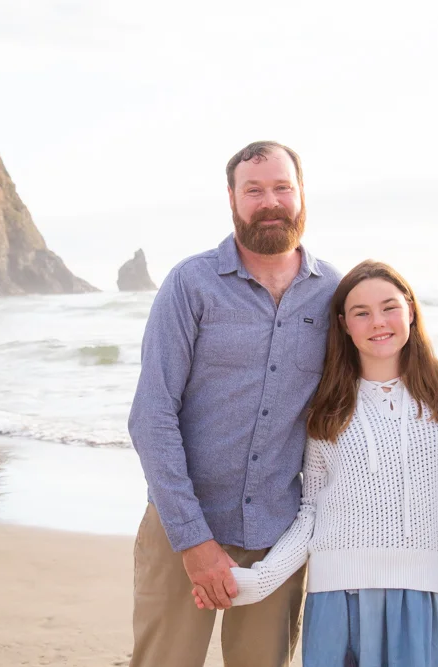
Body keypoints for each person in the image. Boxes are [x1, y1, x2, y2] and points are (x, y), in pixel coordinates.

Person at [126, 140, 341, 667]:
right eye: (254, 190)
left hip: (278, 540)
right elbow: (151, 416)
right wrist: (194, 542)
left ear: (302, 193)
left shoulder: (334, 292)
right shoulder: (190, 285)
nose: (270, 201)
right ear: (231, 199)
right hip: (181, 529)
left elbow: (363, 396)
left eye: (282, 187)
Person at [194, 260, 438, 667]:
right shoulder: (328, 406)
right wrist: (261, 580)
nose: (378, 322)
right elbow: (310, 513)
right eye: (361, 312)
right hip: (340, 601)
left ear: (410, 309)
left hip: (425, 595)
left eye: (390, 306)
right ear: (343, 324)